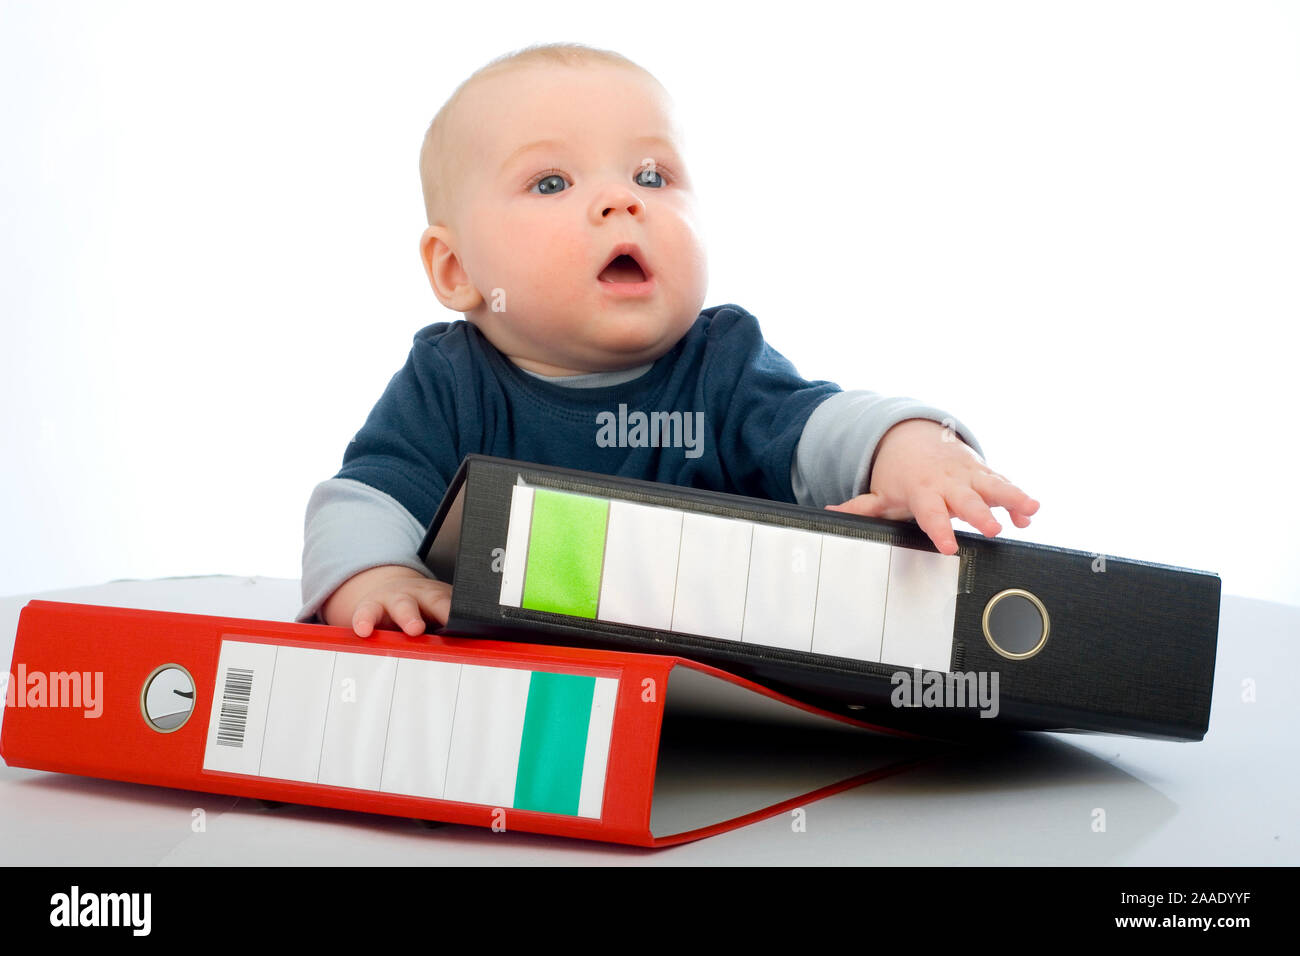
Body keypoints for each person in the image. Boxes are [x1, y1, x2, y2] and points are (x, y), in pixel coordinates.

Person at [298, 42, 1039, 638]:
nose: (623, 199)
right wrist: (378, 582)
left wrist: (909, 446)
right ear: (457, 269)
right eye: (551, 183)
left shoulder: (722, 365)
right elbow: (365, 500)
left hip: (710, 695)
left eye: (652, 175)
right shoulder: (449, 381)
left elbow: (823, 429)